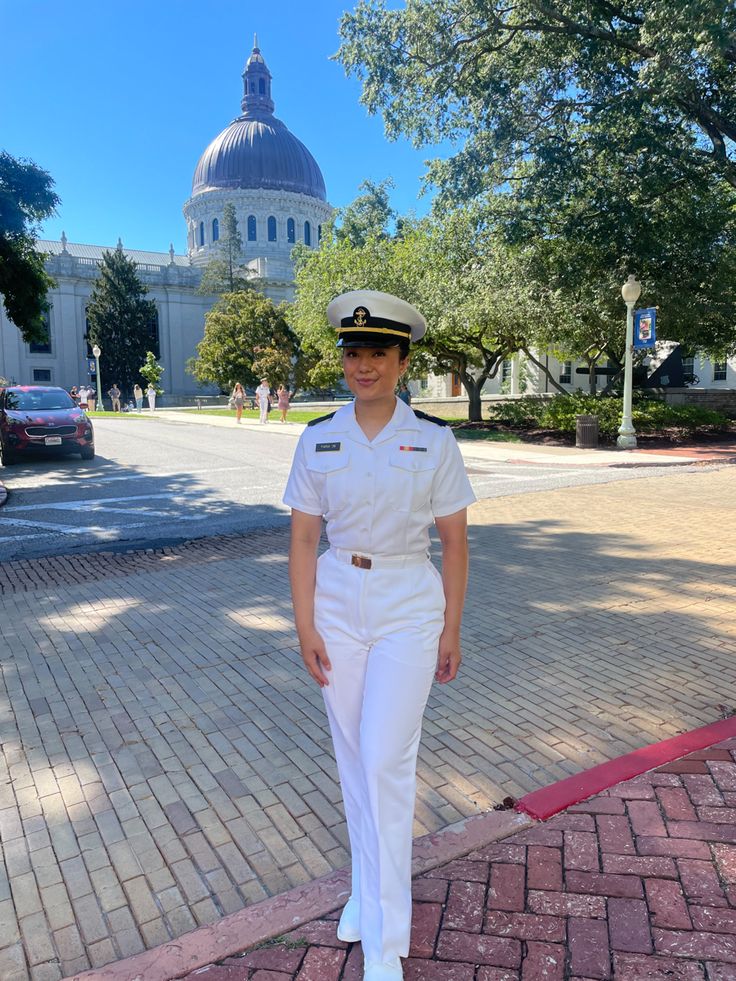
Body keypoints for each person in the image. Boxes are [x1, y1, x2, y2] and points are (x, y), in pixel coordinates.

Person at [283, 290, 475, 981]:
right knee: (354, 762)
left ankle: (386, 942)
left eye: (377, 353)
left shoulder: (432, 439)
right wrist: (305, 621)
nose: (363, 364)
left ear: (401, 361)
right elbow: (304, 537)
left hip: (406, 606)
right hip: (336, 603)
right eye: (353, 352)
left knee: (386, 762)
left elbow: (454, 541)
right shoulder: (318, 437)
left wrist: (452, 624)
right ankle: (366, 892)